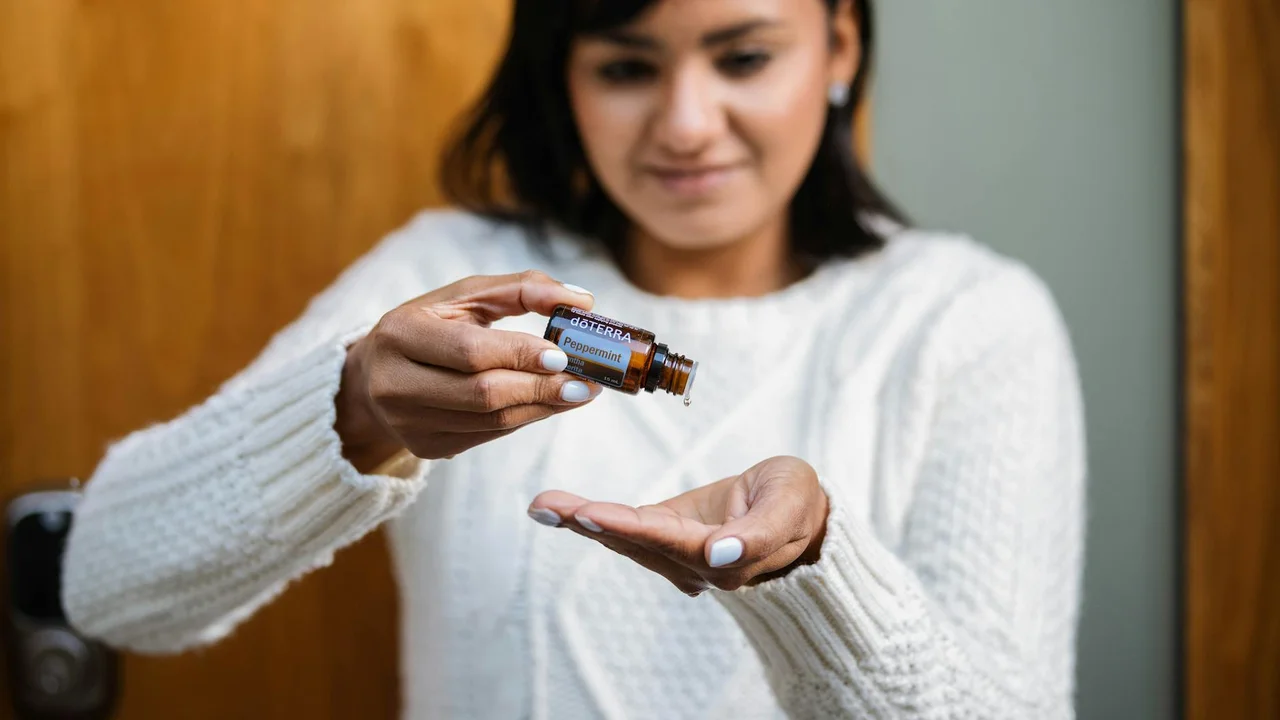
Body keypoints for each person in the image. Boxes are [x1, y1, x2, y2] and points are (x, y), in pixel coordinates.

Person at [61, 0, 1085, 717]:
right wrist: (352, 411)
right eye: (626, 66)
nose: (686, 126)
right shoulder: (451, 276)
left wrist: (814, 569)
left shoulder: (965, 321)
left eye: (741, 58)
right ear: (564, 75)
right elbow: (107, 588)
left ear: (838, 45)